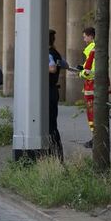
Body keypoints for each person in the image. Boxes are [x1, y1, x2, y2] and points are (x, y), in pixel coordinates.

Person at [79, 27, 97, 148]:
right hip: (94, 86)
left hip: (92, 86)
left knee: (92, 114)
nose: (84, 39)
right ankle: (96, 137)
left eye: (85, 36)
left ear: (91, 36)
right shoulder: (93, 49)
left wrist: (81, 73)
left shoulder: (92, 50)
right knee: (94, 113)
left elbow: (89, 71)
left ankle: (96, 138)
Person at [48, 31, 64, 161]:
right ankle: (57, 155)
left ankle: (55, 156)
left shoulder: (48, 53)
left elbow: (52, 68)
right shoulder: (56, 52)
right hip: (53, 91)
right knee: (52, 124)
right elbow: (64, 65)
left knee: (49, 125)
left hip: (47, 91)